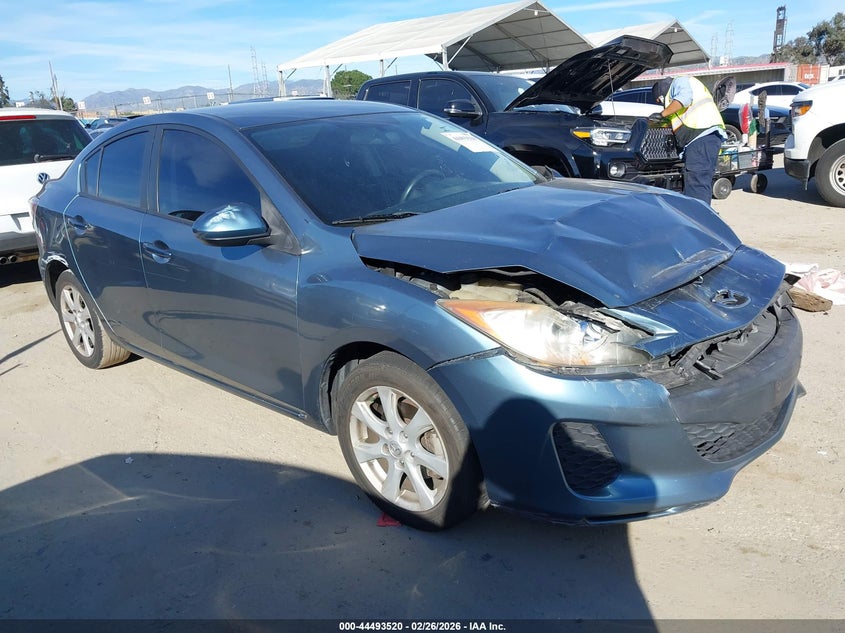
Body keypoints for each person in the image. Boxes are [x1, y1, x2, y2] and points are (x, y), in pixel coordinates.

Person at [650, 76, 726, 204]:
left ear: (661, 93)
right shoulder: (684, 89)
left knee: (696, 182)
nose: (661, 103)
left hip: (701, 136)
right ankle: (703, 216)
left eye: (659, 100)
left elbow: (684, 99)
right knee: (701, 181)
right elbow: (675, 119)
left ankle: (698, 219)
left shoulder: (680, 81)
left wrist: (661, 114)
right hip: (707, 137)